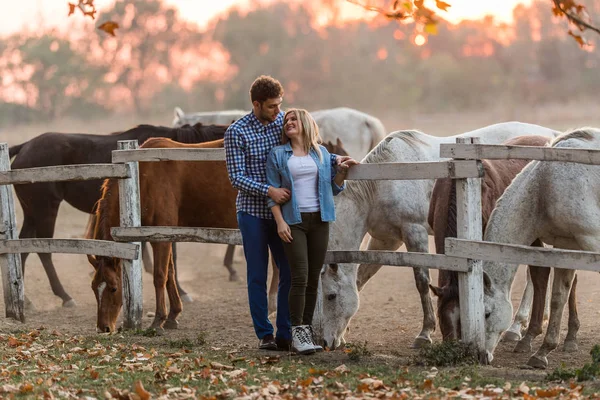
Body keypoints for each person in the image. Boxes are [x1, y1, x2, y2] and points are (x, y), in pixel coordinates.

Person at [266, 108, 359, 354]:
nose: (288, 122)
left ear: (306, 123)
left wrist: (341, 172)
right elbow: (272, 194)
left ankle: (306, 332)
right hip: (293, 221)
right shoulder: (278, 154)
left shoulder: (322, 153)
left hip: (320, 220)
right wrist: (280, 222)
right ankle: (297, 332)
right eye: (286, 120)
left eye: (294, 119)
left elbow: (335, 188)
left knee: (313, 278)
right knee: (300, 276)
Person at [224, 75, 292, 351]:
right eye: (272, 106)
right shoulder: (237, 132)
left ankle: (285, 331)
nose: (278, 111)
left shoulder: (284, 123)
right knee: (256, 273)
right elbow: (235, 177)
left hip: (282, 214)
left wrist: (335, 160)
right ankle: (265, 333)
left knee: (287, 270)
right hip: (252, 212)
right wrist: (269, 191)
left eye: (280, 105)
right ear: (256, 104)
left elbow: (309, 146)